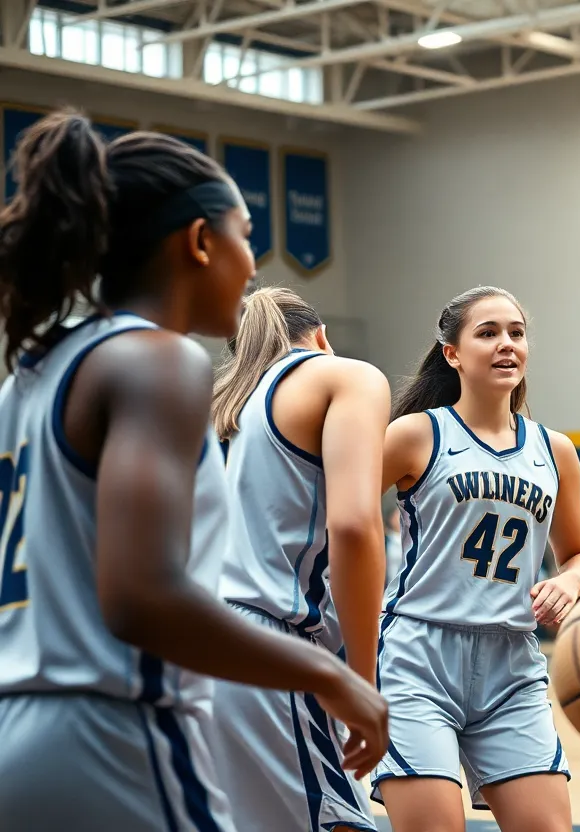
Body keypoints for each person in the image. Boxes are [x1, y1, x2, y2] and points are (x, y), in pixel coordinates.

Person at [0, 111, 387, 830]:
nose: (250, 266)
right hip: (116, 733)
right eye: (245, 234)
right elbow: (141, 597)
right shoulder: (160, 359)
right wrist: (332, 674)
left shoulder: (30, 373)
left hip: (16, 733)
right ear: (200, 242)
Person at [374, 286, 580, 832]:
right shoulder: (415, 435)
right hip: (419, 656)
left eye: (516, 333)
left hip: (512, 662)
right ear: (452, 353)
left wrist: (568, 584)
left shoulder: (555, 450)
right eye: (488, 332)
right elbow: (335, 516)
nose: (507, 345)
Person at [208, 286, 391, 832]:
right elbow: (355, 526)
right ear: (321, 336)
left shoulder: (222, 411)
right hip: (271, 650)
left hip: (194, 648)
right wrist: (362, 680)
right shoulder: (345, 377)